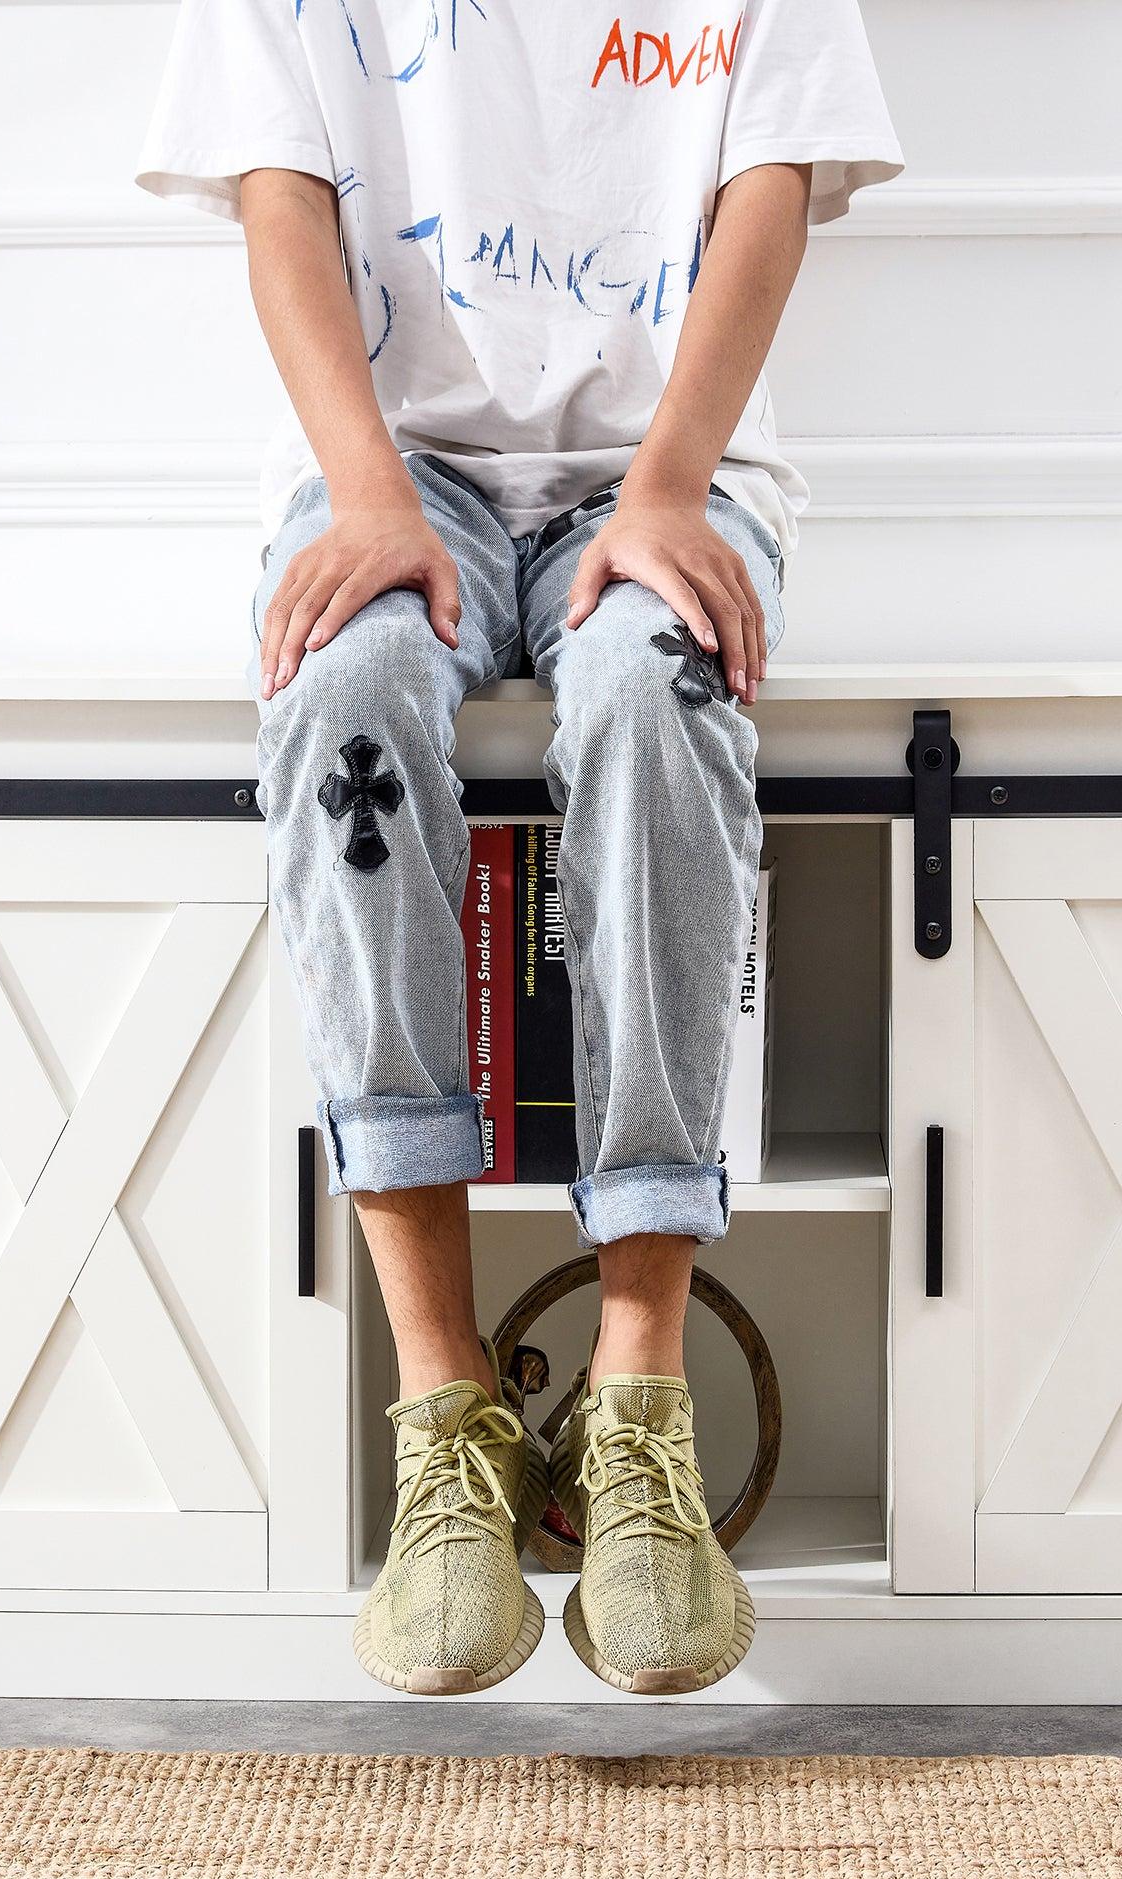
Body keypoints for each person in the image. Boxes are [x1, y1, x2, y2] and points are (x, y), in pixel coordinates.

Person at [138, 0, 900, 1695]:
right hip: (388, 472)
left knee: (654, 701)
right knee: (347, 700)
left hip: (674, 471)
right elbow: (283, 204)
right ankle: (445, 1414)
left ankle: (640, 1395)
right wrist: (365, 494)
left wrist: (674, 485)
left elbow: (765, 193)